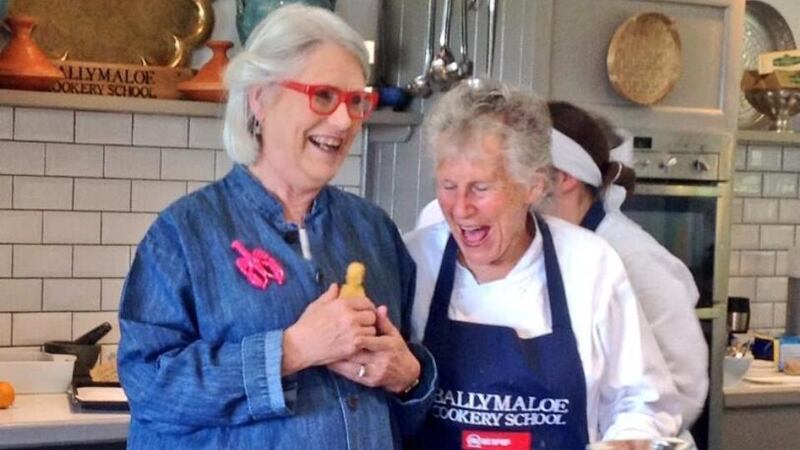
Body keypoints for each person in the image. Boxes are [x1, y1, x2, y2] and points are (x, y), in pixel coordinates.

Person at [117, 5, 434, 449]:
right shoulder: (184, 235)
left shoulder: (373, 230)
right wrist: (292, 350)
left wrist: (409, 377)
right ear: (260, 99)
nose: (344, 121)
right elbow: (151, 389)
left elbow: (411, 412)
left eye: (356, 101)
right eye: (323, 96)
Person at [404, 79, 682, 449]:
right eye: (448, 185)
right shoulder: (413, 260)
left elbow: (641, 403)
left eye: (481, 188)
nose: (460, 208)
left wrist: (625, 443)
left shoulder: (589, 265)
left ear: (533, 187)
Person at [545, 101, 708, 440]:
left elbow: (685, 386)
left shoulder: (632, 255)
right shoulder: (551, 249)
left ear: (564, 178)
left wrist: (623, 437)